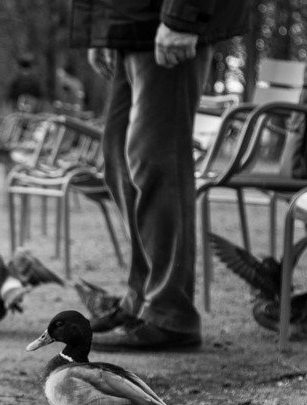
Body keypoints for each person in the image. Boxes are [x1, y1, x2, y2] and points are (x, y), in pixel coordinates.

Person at [70, 0, 247, 350]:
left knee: (156, 161)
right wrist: (99, 31)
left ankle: (170, 312)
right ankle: (142, 299)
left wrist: (182, 16)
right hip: (128, 23)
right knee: (118, 161)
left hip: (163, 21)